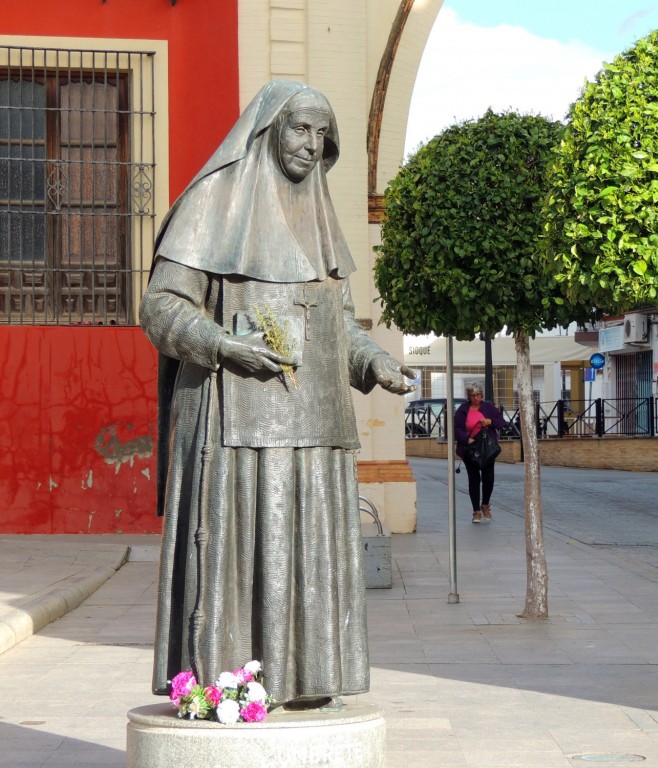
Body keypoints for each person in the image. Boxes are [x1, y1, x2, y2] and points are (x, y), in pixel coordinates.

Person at [140, 80, 415, 708]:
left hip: (313, 426)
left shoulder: (317, 213)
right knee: (236, 559)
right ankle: (228, 686)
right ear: (268, 130)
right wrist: (221, 345)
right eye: (300, 129)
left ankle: (306, 685)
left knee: (308, 557)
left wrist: (375, 362)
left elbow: (339, 323)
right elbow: (160, 307)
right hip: (231, 422)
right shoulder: (213, 201)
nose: (312, 146)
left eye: (323, 134)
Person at [454, 382, 506, 523]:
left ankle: (485, 504)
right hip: (470, 449)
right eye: (472, 395)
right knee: (474, 479)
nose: (475, 398)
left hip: (487, 448)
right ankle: (476, 511)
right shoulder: (463, 410)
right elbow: (456, 428)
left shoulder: (489, 408)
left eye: (478, 395)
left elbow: (502, 422)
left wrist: (490, 422)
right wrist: (466, 439)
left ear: (482, 395)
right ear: (468, 396)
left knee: (488, 478)